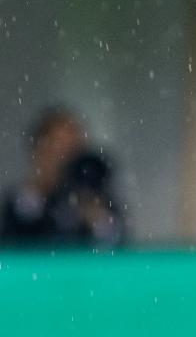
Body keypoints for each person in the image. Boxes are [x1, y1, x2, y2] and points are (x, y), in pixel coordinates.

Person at [1, 104, 127, 246]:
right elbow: (12, 244)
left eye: (73, 150)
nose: (66, 159)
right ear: (39, 152)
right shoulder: (22, 200)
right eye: (57, 149)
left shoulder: (96, 198)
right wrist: (38, 189)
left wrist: (93, 211)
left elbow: (118, 244)